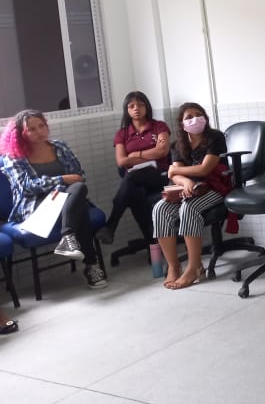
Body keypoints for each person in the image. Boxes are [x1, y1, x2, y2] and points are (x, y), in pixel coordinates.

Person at [0, 109, 108, 289]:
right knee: (78, 204)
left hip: (67, 198)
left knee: (79, 189)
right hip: (36, 205)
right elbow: (27, 187)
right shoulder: (14, 156)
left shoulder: (60, 147)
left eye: (41, 126)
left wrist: (64, 184)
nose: (39, 132)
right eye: (32, 129)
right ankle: (91, 264)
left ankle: (68, 238)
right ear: (20, 133)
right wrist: (61, 180)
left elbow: (79, 176)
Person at [153, 102, 231, 289]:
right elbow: (175, 175)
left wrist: (176, 172)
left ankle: (195, 267)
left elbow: (205, 169)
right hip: (188, 189)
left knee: (189, 208)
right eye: (189, 117)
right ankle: (174, 266)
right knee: (160, 209)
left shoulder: (215, 137)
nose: (195, 119)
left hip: (215, 187)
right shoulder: (177, 145)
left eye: (198, 114)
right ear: (182, 124)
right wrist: (186, 182)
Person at [96, 91, 171, 246]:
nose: (136, 108)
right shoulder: (122, 134)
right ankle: (153, 246)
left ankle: (111, 225)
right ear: (127, 110)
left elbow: (162, 151)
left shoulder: (159, 126)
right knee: (136, 194)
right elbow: (121, 161)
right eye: (131, 106)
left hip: (159, 176)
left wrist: (136, 154)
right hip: (135, 181)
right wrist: (151, 154)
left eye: (140, 104)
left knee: (131, 176)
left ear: (147, 107)